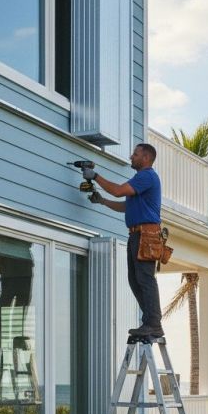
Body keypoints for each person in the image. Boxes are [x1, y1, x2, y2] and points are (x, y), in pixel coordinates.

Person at [82, 142, 164, 338]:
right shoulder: (139, 180)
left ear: (146, 158)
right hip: (137, 235)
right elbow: (124, 207)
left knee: (144, 279)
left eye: (135, 154)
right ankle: (150, 322)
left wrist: (95, 176)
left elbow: (118, 190)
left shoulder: (147, 176)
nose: (131, 157)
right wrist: (102, 201)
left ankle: (153, 323)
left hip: (146, 235)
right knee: (135, 280)